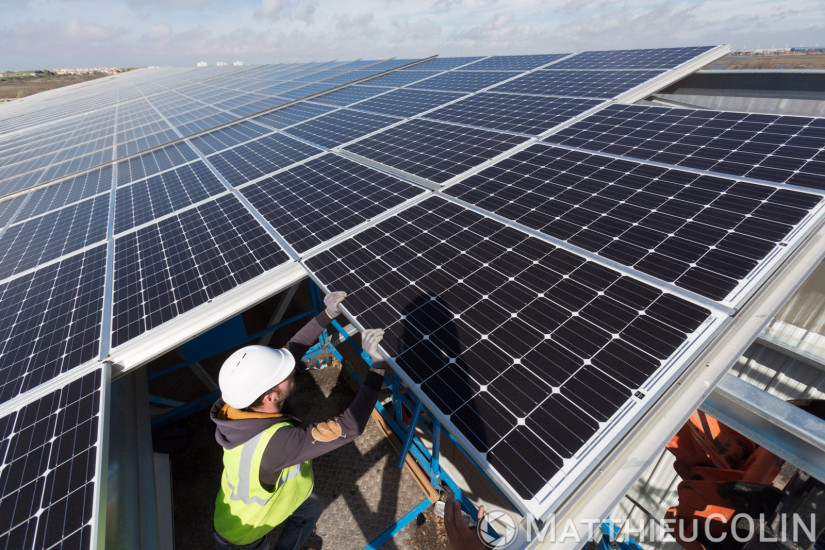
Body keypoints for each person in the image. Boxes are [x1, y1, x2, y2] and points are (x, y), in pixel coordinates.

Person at [211, 290, 387, 550]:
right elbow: (349, 427)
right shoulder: (276, 443)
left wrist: (327, 314)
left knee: (311, 506)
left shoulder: (239, 402)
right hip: (245, 536)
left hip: (253, 504)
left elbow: (292, 350)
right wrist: (378, 366)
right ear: (271, 397)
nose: (292, 367)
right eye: (285, 373)